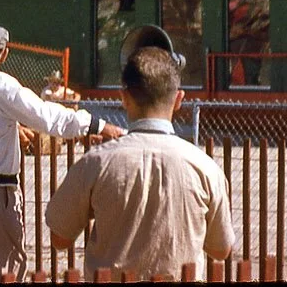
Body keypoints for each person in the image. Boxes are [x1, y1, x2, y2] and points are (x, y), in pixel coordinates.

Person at [0, 24, 125, 282]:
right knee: (9, 272)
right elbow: (47, 117)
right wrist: (97, 125)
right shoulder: (1, 84)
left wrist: (9, 125)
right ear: (5, 53)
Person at [46, 47, 232, 279]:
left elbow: (60, 238)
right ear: (178, 99)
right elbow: (221, 249)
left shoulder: (95, 163)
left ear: (124, 98)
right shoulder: (206, 169)